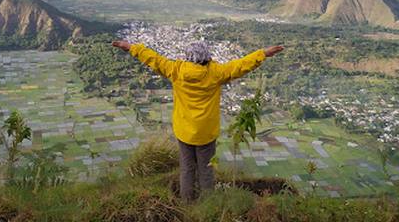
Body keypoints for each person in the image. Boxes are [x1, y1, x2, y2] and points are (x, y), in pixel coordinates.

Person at [112, 39, 284, 202]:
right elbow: (240, 66)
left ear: (188, 56)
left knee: (187, 168)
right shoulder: (216, 73)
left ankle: (187, 202)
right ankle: (207, 203)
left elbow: (152, 58)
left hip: (184, 131)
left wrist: (130, 47)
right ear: (207, 57)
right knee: (206, 169)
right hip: (206, 133)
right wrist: (263, 53)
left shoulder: (176, 70)